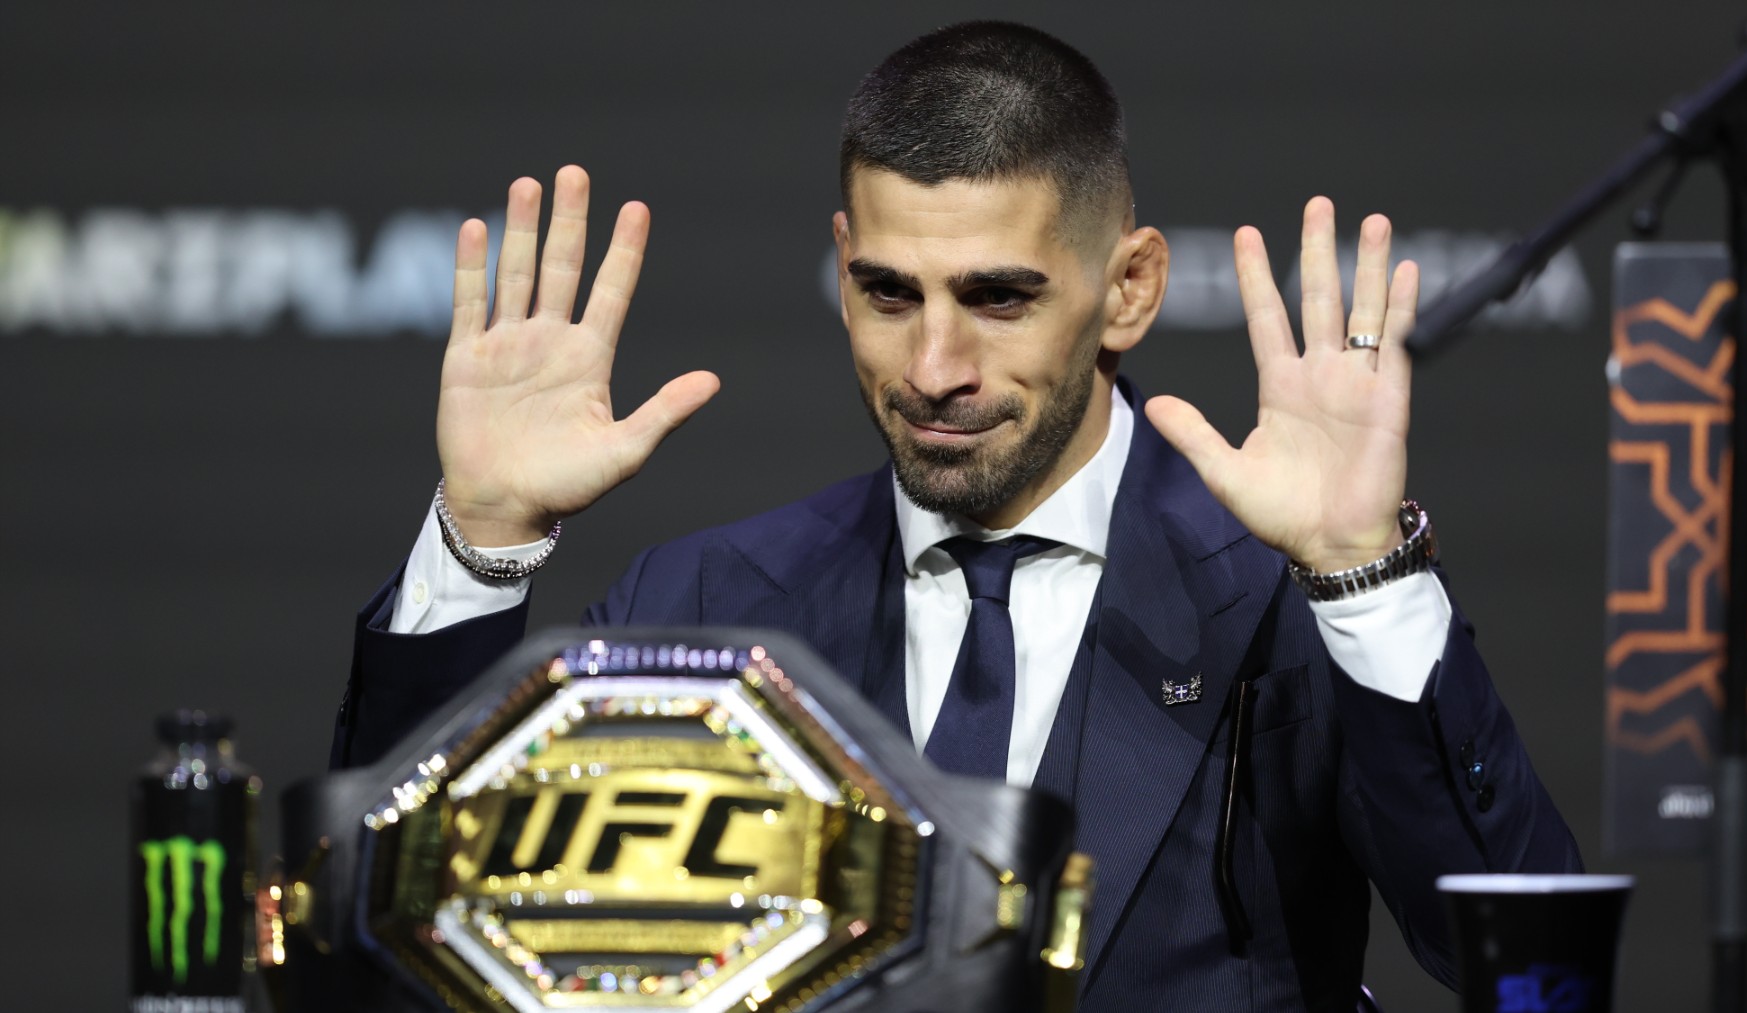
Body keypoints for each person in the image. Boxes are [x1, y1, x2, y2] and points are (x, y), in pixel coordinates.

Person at [332, 21, 1580, 1010]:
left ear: (1129, 287)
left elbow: (1531, 968)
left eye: (997, 296)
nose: (932, 365)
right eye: (886, 291)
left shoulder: (1282, 596)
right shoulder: (703, 605)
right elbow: (388, 948)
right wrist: (483, 540)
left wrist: (1366, 575)